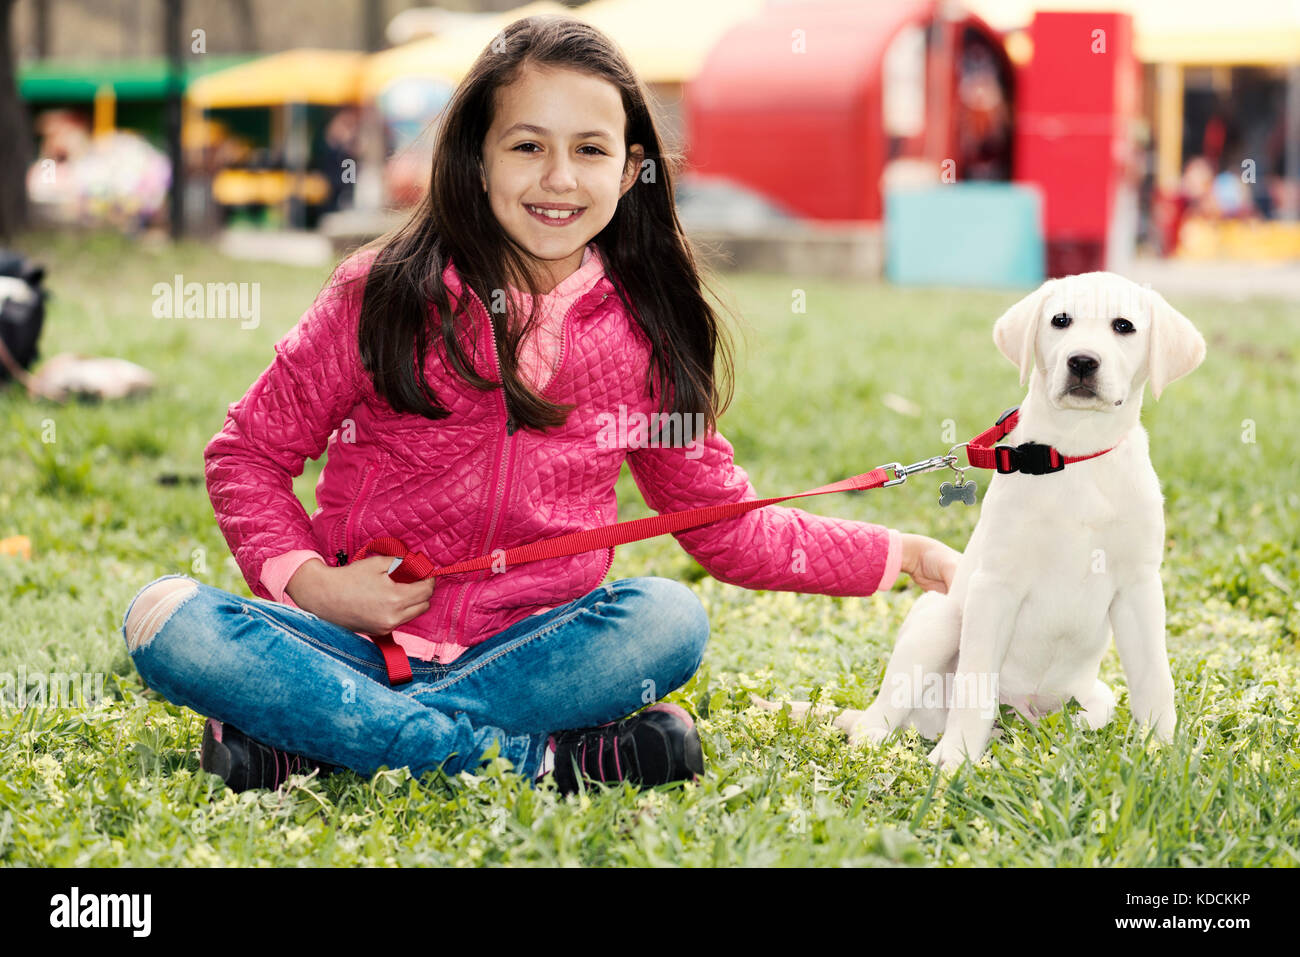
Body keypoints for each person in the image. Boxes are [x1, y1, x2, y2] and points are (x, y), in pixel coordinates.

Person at [120, 16, 959, 796]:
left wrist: (899, 552)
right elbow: (247, 454)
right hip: (350, 644)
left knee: (668, 619)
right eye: (528, 146)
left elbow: (722, 524)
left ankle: (313, 737)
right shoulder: (382, 293)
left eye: (590, 150)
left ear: (632, 169)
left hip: (533, 656)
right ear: (478, 159)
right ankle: (543, 759)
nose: (559, 179)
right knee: (166, 620)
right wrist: (316, 585)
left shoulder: (646, 335)